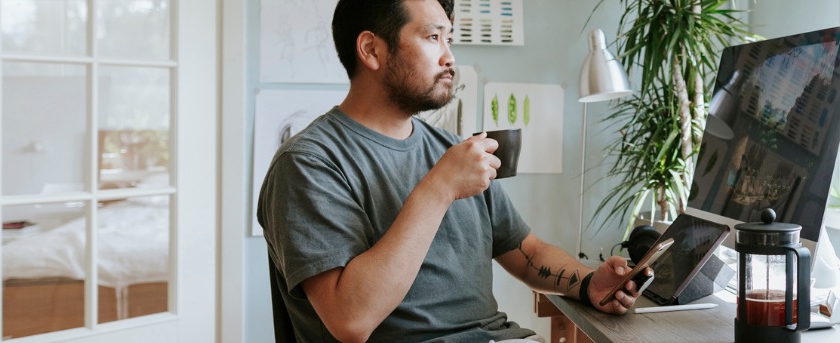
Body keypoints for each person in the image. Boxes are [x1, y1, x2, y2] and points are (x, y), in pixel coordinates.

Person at [258, 1, 646, 342]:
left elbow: (526, 253)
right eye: (432, 38)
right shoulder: (309, 163)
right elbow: (351, 321)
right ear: (371, 50)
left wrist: (589, 282)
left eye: (449, 39)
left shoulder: (449, 149)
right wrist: (438, 188)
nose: (449, 57)